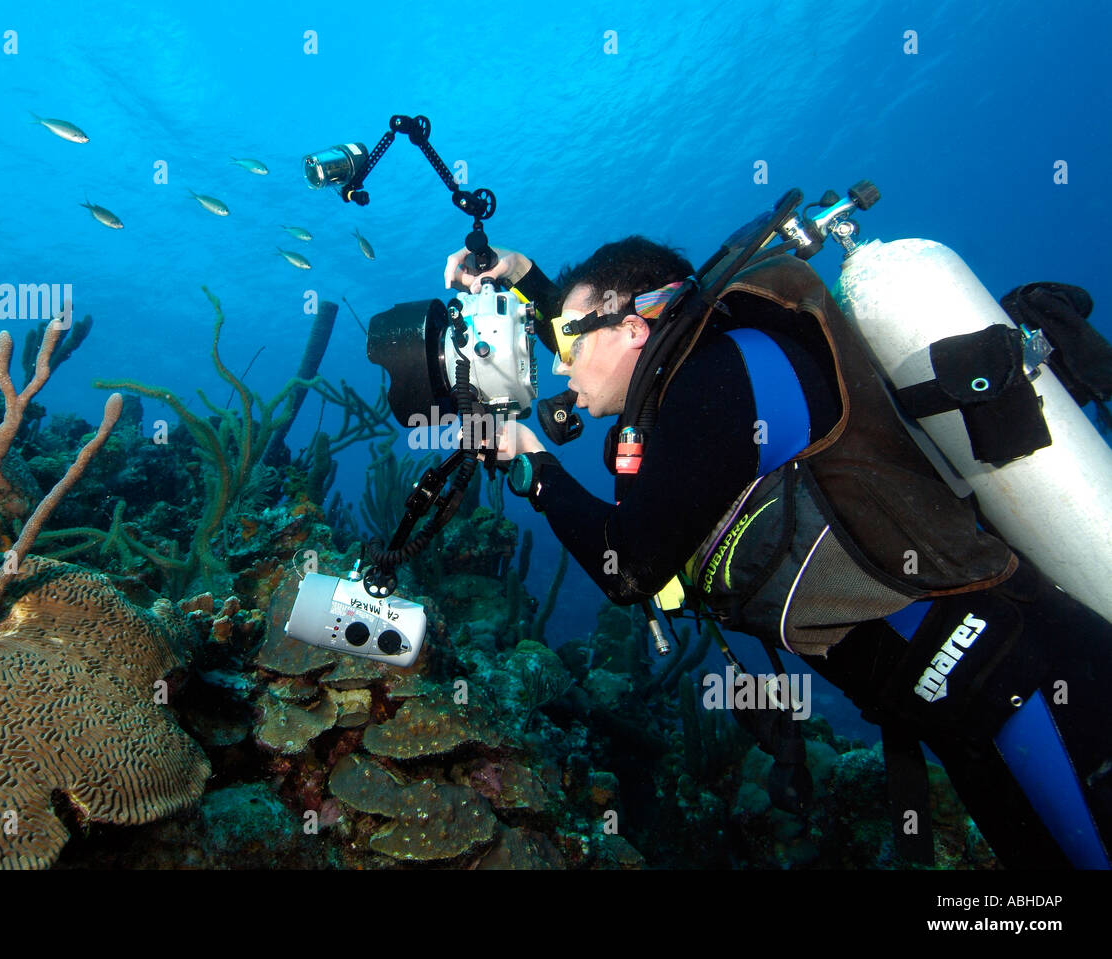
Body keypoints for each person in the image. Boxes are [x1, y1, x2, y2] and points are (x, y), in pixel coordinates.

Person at [444, 236, 1112, 869]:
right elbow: (600, 335)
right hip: (961, 695)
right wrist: (523, 276)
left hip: (1012, 684)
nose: (557, 363)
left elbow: (632, 566)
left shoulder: (721, 377)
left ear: (636, 327)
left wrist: (534, 469)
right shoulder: (700, 378)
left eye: (564, 339)